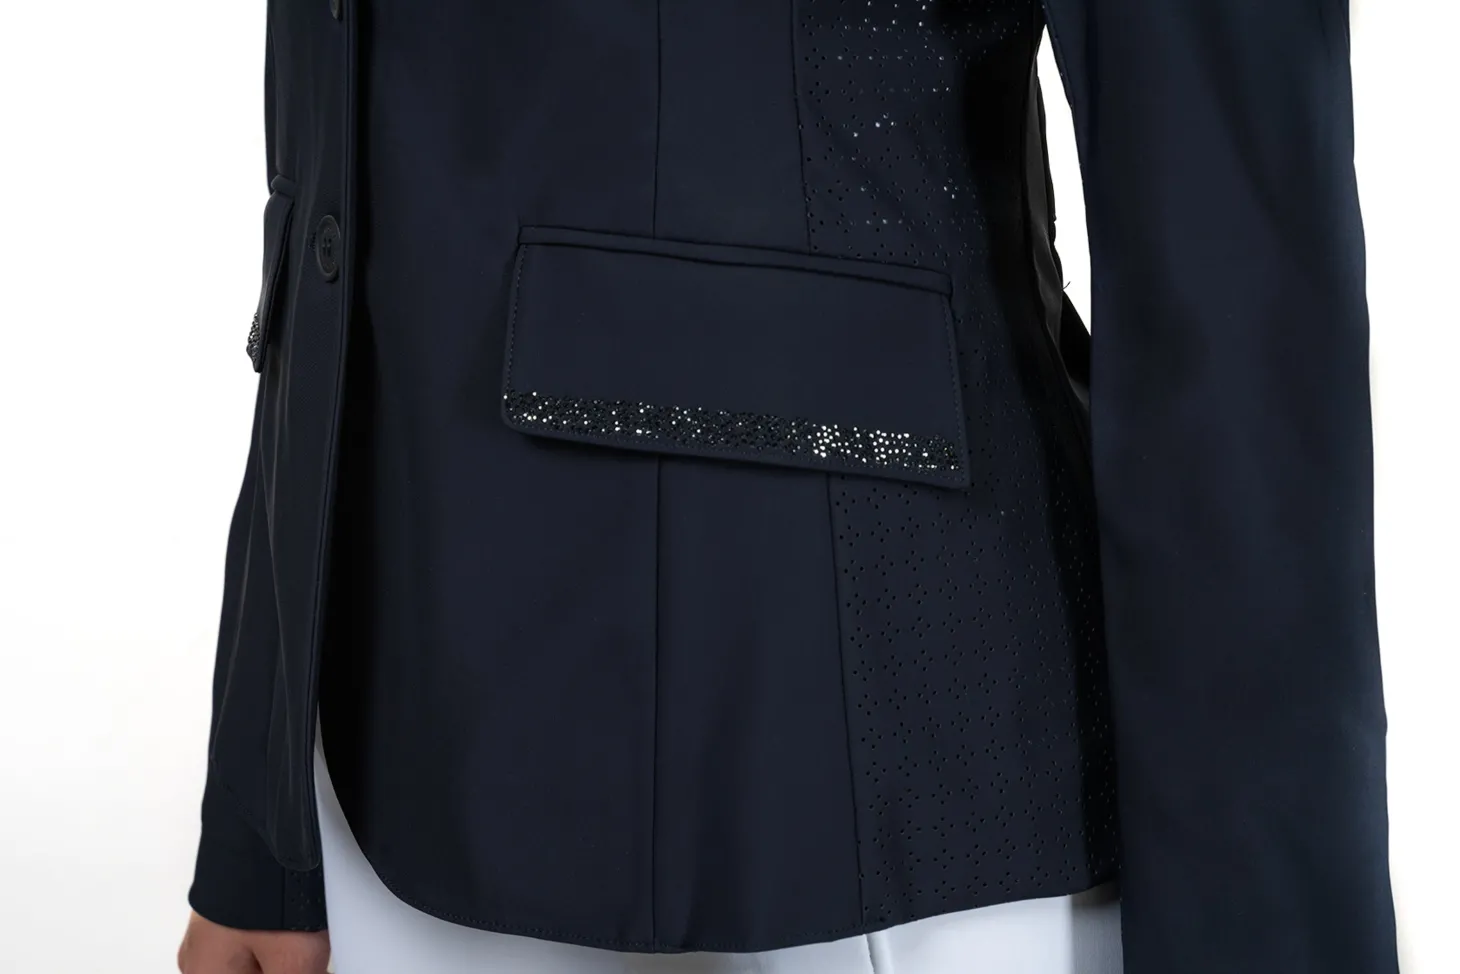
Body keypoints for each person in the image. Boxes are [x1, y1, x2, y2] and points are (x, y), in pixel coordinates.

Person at [177, 1, 1399, 972]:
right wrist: (261, 807)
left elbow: (1232, 276)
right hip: (379, 745)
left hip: (873, 746)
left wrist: (1263, 937)